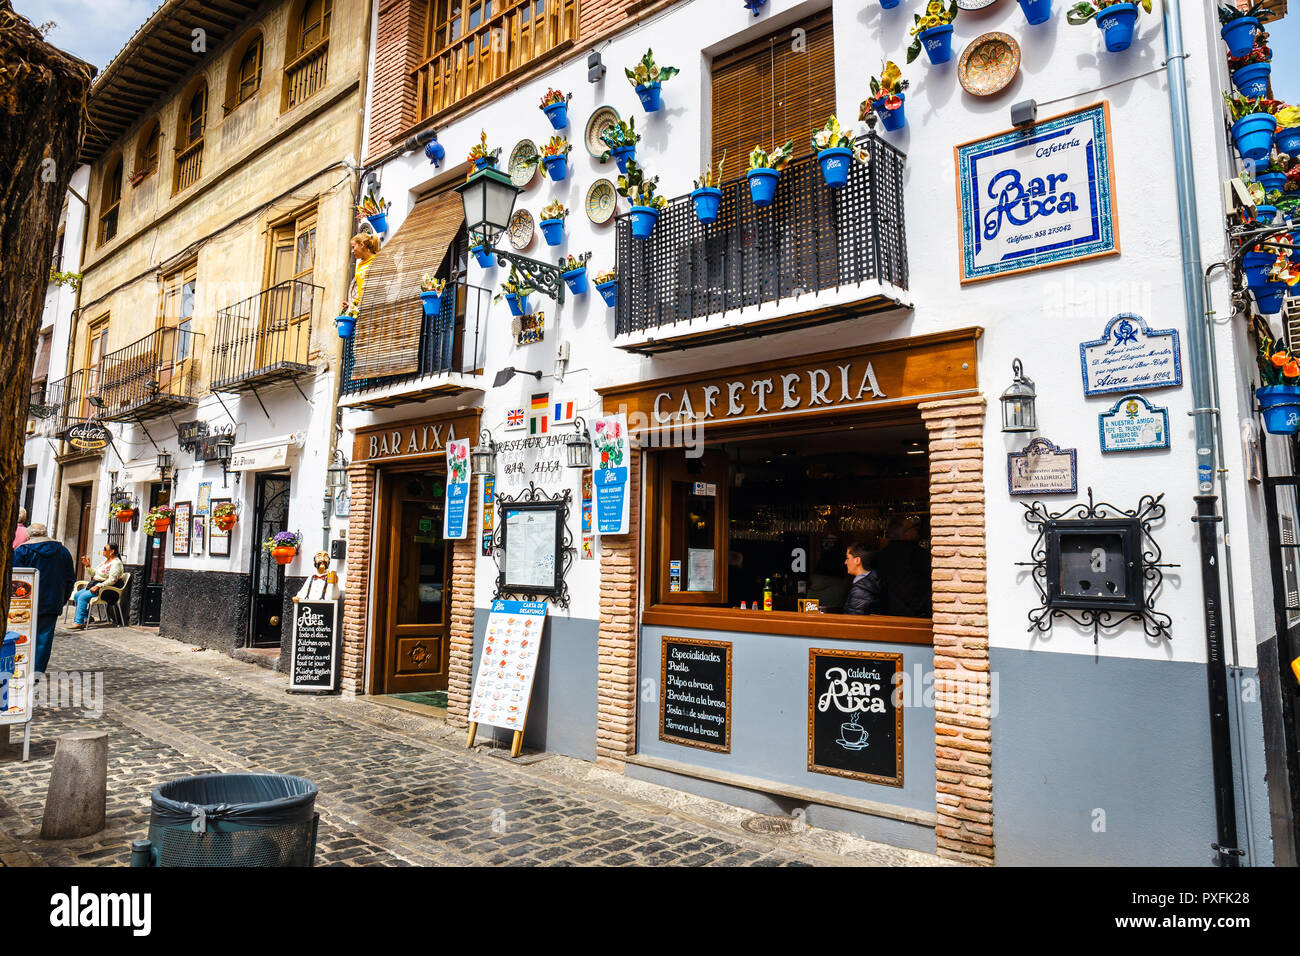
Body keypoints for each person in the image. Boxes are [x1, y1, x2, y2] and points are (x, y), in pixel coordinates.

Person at [12, 524, 76, 674]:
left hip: (24, 602)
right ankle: (37, 671)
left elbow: (14, 578)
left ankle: (21, 667)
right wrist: (63, 598)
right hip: (51, 601)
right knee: (44, 639)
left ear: (29, 536)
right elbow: (70, 578)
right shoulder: (62, 551)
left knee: (22, 635)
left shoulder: (23, 551)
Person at [874, 516, 932, 618]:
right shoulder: (917, 553)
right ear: (905, 534)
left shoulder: (883, 554)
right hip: (915, 613)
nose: (916, 530)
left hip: (888, 611)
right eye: (913, 528)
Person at [68, 543, 125, 630]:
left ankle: (79, 622)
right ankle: (86, 618)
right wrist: (88, 566)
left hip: (106, 589)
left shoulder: (116, 563)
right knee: (77, 595)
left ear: (112, 551)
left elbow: (113, 580)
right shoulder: (105, 562)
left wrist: (98, 586)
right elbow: (94, 574)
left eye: (105, 549)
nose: (103, 551)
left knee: (82, 597)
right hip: (95, 585)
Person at [842, 541, 885, 615]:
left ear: (857, 560)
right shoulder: (874, 579)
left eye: (848, 558)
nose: (845, 562)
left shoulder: (861, 590)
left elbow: (853, 621)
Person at [343, 231, 380, 314]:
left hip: (375, 305)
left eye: (353, 247)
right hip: (363, 308)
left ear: (362, 245)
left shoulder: (377, 260)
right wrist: (352, 305)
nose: (352, 251)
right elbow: (360, 291)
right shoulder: (360, 265)